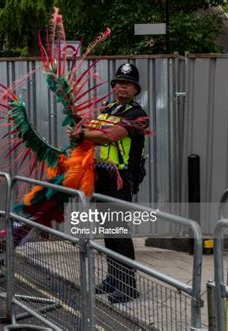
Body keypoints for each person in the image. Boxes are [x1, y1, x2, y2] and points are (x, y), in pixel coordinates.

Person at [69, 63, 149, 304]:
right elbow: (94, 128)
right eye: (118, 83)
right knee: (107, 232)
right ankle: (113, 279)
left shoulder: (138, 115)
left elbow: (109, 135)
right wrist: (78, 121)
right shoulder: (108, 108)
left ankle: (128, 285)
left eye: (127, 84)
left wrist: (82, 134)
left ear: (136, 89)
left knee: (119, 232)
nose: (122, 88)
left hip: (121, 179)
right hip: (102, 176)